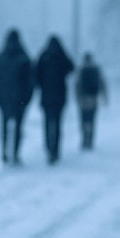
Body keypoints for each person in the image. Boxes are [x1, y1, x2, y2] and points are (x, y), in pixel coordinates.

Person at [0, 28, 34, 165]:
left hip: (4, 98)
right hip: (20, 99)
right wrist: (27, 98)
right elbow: (31, 81)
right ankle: (15, 154)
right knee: (18, 128)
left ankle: (4, 152)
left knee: (4, 126)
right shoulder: (24, 58)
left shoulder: (0, 57)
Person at [34, 34, 75, 164]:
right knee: (57, 124)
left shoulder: (44, 56)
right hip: (60, 96)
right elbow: (72, 67)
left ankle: (48, 147)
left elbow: (35, 73)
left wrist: (41, 85)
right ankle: (55, 150)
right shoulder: (62, 56)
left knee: (46, 123)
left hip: (46, 96)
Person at [75, 52, 107, 150]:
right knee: (92, 119)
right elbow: (102, 83)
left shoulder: (80, 69)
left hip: (83, 99)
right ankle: (90, 141)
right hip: (93, 98)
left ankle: (84, 140)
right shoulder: (96, 69)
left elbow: (77, 85)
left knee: (83, 119)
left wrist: (77, 97)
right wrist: (104, 96)